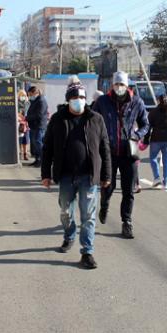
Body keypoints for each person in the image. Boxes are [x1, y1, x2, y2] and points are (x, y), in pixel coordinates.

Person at [41, 84, 111, 269]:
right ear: (68, 100)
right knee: (65, 211)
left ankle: (87, 252)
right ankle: (69, 235)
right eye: (74, 98)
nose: (78, 101)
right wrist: (46, 174)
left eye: (81, 97)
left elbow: (104, 148)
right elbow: (47, 147)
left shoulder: (96, 119)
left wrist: (106, 174)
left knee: (88, 215)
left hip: (89, 176)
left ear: (86, 99)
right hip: (65, 176)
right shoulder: (57, 119)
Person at [92, 71, 149, 239]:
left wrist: (137, 135)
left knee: (128, 190)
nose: (119, 87)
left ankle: (127, 222)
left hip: (128, 152)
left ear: (127, 85)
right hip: (108, 152)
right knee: (107, 186)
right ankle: (104, 205)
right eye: (117, 84)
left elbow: (146, 124)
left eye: (122, 84)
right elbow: (92, 121)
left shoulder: (137, 102)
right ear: (112, 85)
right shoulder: (103, 101)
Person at [147, 95, 167, 191]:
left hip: (155, 139)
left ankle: (157, 178)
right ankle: (166, 183)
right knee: (166, 161)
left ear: (157, 101)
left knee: (153, 158)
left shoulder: (153, 112)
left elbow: (148, 127)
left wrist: (145, 139)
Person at [26, 86, 48, 167]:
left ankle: (43, 161)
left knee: (39, 143)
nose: (30, 96)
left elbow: (39, 115)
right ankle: (37, 159)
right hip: (34, 126)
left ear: (35, 93)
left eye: (30, 94)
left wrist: (27, 118)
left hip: (39, 126)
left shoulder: (41, 101)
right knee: (35, 144)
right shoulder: (35, 100)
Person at [17, 89, 30, 161]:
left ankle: (25, 154)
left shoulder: (27, 103)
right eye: (21, 95)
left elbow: (28, 112)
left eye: (24, 95)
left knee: (26, 140)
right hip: (19, 123)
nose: (23, 97)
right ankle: (19, 153)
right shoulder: (16, 103)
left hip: (26, 123)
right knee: (19, 139)